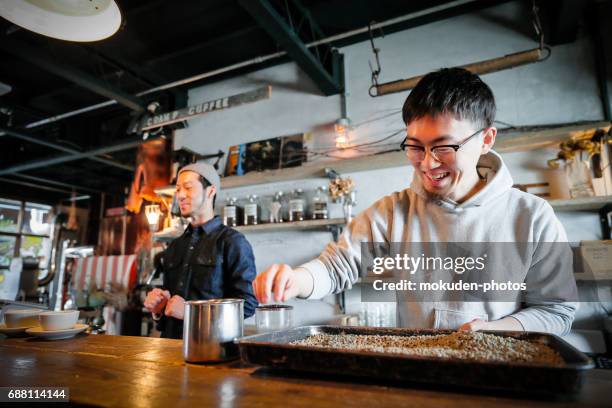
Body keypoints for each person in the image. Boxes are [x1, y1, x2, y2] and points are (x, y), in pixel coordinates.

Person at [253, 67, 577, 336]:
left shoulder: (531, 216)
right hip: (419, 376)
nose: (427, 163)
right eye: (415, 147)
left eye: (443, 147)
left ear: (486, 140)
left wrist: (495, 331)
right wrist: (296, 279)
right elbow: (337, 267)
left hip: (506, 379)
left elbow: (556, 310)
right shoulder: (394, 213)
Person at [144, 162, 258, 338]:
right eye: (178, 189)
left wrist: (191, 313)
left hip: (211, 352)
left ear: (210, 191)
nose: (180, 195)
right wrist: (158, 310)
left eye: (188, 187)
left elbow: (247, 306)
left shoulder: (233, 242)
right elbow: (170, 312)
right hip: (168, 349)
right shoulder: (174, 247)